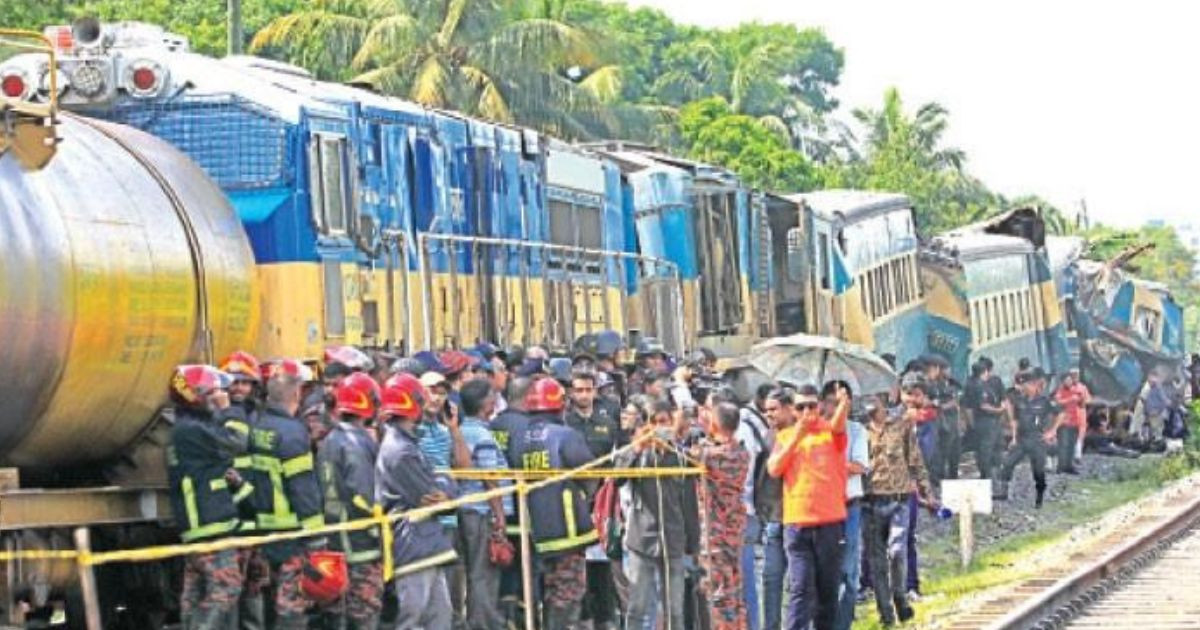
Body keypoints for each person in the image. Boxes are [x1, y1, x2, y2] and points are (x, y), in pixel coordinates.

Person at [510, 377, 598, 629]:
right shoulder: (566, 435)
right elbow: (590, 477)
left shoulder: (519, 438)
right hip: (567, 529)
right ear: (560, 405)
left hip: (535, 529)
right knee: (568, 590)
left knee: (544, 589)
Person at [167, 365, 248, 630]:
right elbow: (237, 441)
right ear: (198, 395)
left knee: (196, 593)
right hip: (208, 525)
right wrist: (228, 410)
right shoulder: (191, 430)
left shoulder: (186, 428)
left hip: (198, 524)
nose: (220, 395)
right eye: (214, 391)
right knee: (227, 586)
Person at [247, 360, 326, 630]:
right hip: (292, 534)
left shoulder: (258, 427)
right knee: (292, 606)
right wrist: (317, 537)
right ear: (296, 393)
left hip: (265, 532)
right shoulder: (292, 433)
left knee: (269, 604)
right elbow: (302, 488)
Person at [376, 373, 459, 629]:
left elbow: (440, 486)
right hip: (412, 544)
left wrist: (445, 487)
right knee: (412, 618)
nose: (425, 406)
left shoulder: (408, 444)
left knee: (440, 617)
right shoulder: (400, 451)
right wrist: (448, 486)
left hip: (426, 544)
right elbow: (430, 493)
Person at [767, 384, 850, 630]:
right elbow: (774, 469)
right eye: (801, 406)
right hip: (797, 524)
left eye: (811, 405)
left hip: (829, 523)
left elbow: (839, 425)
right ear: (792, 409)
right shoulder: (784, 436)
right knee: (800, 590)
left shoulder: (830, 432)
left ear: (820, 406)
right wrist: (797, 434)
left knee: (827, 591)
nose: (807, 411)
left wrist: (844, 404)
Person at [318, 373, 385, 630]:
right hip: (360, 542)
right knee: (364, 612)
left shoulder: (329, 440)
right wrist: (379, 523)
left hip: (334, 538)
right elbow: (364, 494)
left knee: (337, 615)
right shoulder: (356, 443)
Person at [618, 400, 690, 630]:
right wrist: (638, 446)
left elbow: (689, 504)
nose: (660, 428)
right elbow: (617, 477)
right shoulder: (637, 454)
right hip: (642, 538)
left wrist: (694, 545)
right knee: (637, 606)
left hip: (674, 539)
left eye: (664, 423)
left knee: (675, 609)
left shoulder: (680, 456)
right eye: (655, 423)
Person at [863, 387, 931, 628]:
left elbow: (916, 460)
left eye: (871, 398)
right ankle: (886, 614)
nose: (868, 403)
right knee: (877, 562)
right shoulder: (859, 431)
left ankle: (900, 596)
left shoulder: (900, 427)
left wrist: (927, 493)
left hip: (899, 500)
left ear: (882, 400)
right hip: (870, 502)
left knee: (897, 550)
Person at [563, 370, 622, 629]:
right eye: (579, 390)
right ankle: (583, 616)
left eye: (588, 390)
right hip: (573, 502)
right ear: (571, 393)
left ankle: (606, 616)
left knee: (603, 563)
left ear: (595, 391)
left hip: (602, 502)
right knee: (578, 564)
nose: (584, 395)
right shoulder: (564, 423)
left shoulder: (607, 423)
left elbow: (613, 460)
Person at [218, 351, 271, 630]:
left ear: (254, 386)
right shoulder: (219, 417)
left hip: (256, 518)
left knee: (254, 588)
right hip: (231, 520)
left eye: (244, 382)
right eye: (233, 382)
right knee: (229, 590)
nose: (238, 388)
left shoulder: (260, 418)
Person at [455, 378, 511, 630]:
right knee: (484, 573)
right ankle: (484, 623)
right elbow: (490, 479)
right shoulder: (481, 435)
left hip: (466, 511)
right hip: (481, 513)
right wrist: (499, 516)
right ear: (485, 404)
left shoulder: (461, 431)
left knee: (472, 572)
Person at [418, 370, 471, 628]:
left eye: (441, 393)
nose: (436, 398)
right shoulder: (409, 431)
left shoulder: (442, 431)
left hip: (448, 518)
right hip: (422, 520)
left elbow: (464, 468)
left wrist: (454, 429)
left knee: (451, 589)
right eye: (431, 391)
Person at [695, 403, 751, 630]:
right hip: (734, 531)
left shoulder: (709, 455)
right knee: (734, 589)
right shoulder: (740, 451)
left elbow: (690, 453)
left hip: (715, 534)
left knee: (717, 593)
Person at [826, 383, 868, 630]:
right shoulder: (817, 431)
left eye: (840, 401)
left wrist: (829, 462)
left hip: (849, 506)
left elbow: (860, 466)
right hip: (823, 510)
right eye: (831, 400)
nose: (835, 406)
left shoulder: (856, 430)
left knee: (849, 569)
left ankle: (844, 623)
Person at [996, 369, 1063, 508]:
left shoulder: (1045, 400)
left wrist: (1052, 431)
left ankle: (1039, 498)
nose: (1023, 389)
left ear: (1033, 385)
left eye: (1026, 386)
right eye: (1022, 386)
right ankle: (1003, 492)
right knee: (1007, 463)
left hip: (1037, 439)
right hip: (1022, 439)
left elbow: (1061, 414)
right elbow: (1014, 419)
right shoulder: (1020, 400)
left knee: (1038, 470)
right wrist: (1014, 437)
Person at [736, 383, 773, 630]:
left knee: (747, 577)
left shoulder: (746, 429)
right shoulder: (751, 424)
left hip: (744, 512)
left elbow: (744, 478)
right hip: (751, 510)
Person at [759, 389, 793, 630]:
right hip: (774, 518)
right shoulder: (768, 437)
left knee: (801, 583)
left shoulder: (801, 435)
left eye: (774, 409)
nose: (768, 414)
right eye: (766, 409)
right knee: (771, 579)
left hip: (800, 519)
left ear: (789, 407)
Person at [962, 361, 1006, 480]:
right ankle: (987, 474)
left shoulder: (970, 384)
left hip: (983, 421)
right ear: (984, 372)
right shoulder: (979, 386)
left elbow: (967, 407)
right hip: (986, 420)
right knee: (987, 448)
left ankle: (993, 472)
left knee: (991, 447)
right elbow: (983, 405)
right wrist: (998, 410)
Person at [1053, 369, 1089, 474]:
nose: (1069, 382)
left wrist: (1081, 400)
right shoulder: (1060, 390)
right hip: (1064, 422)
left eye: (1070, 380)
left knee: (1071, 445)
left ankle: (1069, 466)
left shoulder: (1078, 389)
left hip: (1075, 421)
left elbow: (1085, 401)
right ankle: (1060, 466)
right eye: (1067, 380)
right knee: (1063, 444)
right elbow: (1058, 402)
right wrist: (1070, 399)